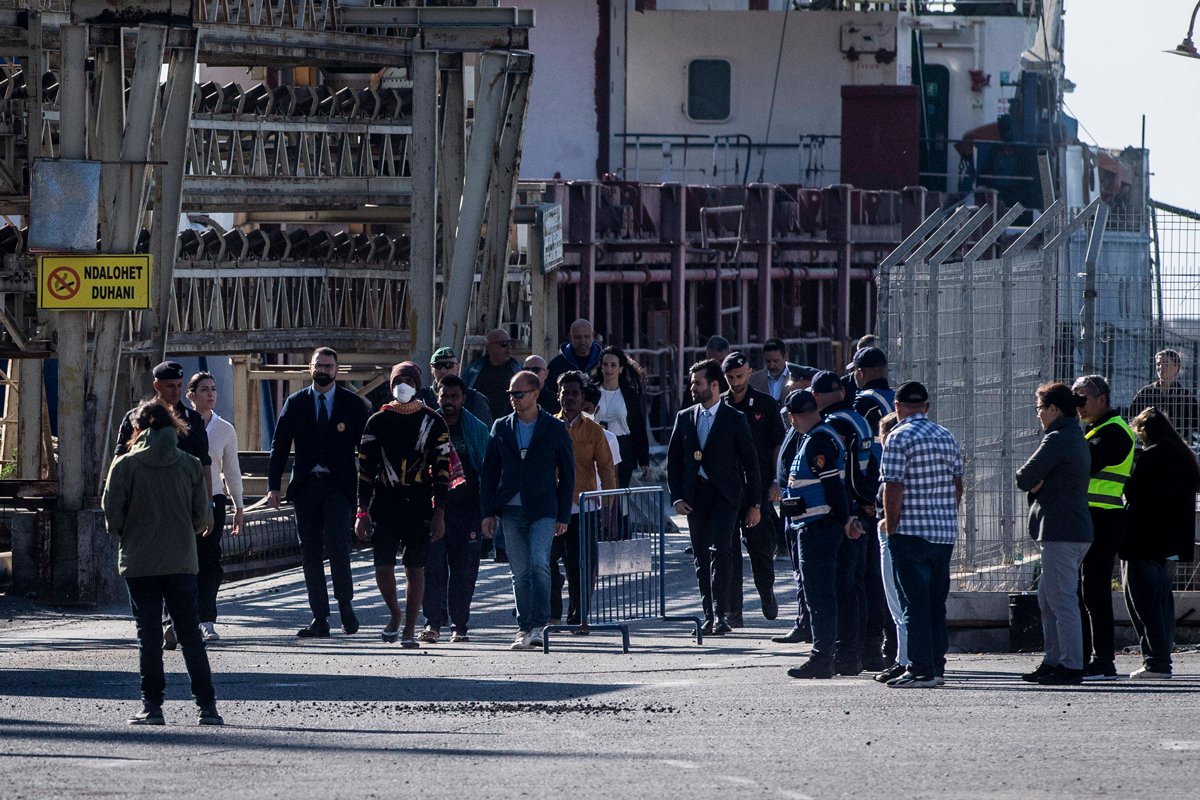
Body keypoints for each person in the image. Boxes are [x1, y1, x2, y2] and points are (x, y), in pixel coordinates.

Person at [102, 399, 221, 726]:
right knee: (190, 634)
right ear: (173, 425)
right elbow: (202, 519)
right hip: (182, 560)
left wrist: (132, 531)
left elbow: (112, 518)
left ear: (137, 429)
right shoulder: (190, 465)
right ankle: (207, 707)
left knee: (149, 635)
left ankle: (152, 706)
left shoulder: (124, 466)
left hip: (140, 561)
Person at [267, 347, 370, 639]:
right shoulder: (296, 402)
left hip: (338, 486)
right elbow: (280, 445)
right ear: (309, 368)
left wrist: (368, 491)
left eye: (328, 365)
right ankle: (320, 617)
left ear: (337, 370)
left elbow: (366, 450)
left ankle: (345, 605)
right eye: (318, 365)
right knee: (309, 551)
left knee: (338, 543)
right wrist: (274, 485)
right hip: (306, 487)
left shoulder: (352, 404)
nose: (322, 370)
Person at [115, 360, 213, 650]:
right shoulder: (135, 419)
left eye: (180, 386)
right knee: (148, 566)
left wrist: (206, 506)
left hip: (181, 508)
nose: (177, 392)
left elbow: (204, 465)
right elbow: (119, 462)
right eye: (170, 386)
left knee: (180, 568)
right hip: (144, 508)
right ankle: (153, 624)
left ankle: (172, 623)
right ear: (156, 386)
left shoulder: (192, 421)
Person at [356, 362, 450, 647]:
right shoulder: (377, 421)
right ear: (390, 385)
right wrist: (362, 511)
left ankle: (410, 628)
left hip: (419, 503)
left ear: (418, 384)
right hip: (385, 503)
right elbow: (365, 470)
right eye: (399, 380)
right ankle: (395, 614)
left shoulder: (433, 421)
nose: (403, 385)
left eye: (409, 379)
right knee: (383, 566)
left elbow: (443, 471)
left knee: (415, 567)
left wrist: (439, 513)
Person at [480, 370, 575, 651]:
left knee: (538, 562)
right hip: (511, 508)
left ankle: (539, 624)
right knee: (519, 571)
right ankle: (523, 628)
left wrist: (563, 515)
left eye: (518, 394)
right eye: (510, 394)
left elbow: (567, 473)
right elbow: (489, 472)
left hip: (543, 507)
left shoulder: (554, 428)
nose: (513, 399)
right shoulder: (501, 427)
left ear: (534, 394)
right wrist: (487, 512)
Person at [667, 359, 761, 636]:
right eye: (692, 382)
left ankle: (723, 614)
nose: (693, 388)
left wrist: (754, 503)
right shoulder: (685, 417)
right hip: (696, 497)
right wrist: (676, 497)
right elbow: (674, 462)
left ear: (715, 385)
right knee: (700, 557)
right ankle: (708, 614)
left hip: (726, 496)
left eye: (698, 382)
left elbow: (751, 464)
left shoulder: (734, 418)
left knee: (721, 551)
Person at [879, 381, 963, 689]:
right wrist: (944, 515)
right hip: (943, 533)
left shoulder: (898, 437)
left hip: (910, 531)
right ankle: (937, 667)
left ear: (897, 408)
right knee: (935, 603)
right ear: (927, 407)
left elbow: (893, 486)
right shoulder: (946, 436)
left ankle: (920, 668)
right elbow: (958, 485)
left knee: (914, 603)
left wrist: (891, 525)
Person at [1014, 383, 1094, 686]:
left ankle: (1071, 665)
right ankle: (1053, 660)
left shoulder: (1058, 438)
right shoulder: (1072, 435)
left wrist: (1039, 482)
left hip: (1062, 530)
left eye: (1039, 409)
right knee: (1048, 599)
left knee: (1061, 601)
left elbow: (1024, 477)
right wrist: (1041, 482)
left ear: (1053, 409)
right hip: (1070, 528)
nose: (1038, 415)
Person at [780, 388, 854, 679]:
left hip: (819, 527)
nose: (790, 423)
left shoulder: (820, 439)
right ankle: (827, 654)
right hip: (814, 525)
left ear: (797, 415)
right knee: (820, 593)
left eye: (791, 418)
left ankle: (822, 658)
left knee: (820, 595)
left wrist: (843, 519)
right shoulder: (815, 437)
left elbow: (834, 488)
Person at [1122, 407, 1200, 679]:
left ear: (1145, 431)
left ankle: (1156, 662)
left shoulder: (1150, 456)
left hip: (1144, 539)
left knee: (1143, 602)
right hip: (1172, 543)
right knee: (1162, 601)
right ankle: (1163, 654)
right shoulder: (1184, 456)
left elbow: (1133, 492)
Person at [1072, 374, 1135, 681]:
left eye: (1082, 398)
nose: (1077, 404)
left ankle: (1103, 660)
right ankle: (1086, 656)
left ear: (1102, 399)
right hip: (1091, 516)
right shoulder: (1095, 429)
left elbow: (1085, 462)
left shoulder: (1115, 432)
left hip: (1103, 517)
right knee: (1083, 591)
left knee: (1094, 591)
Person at [811, 370, 873, 675]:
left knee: (843, 586)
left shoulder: (833, 426)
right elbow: (869, 463)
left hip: (845, 512)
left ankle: (847, 653)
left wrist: (858, 502)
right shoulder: (858, 418)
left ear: (817, 397)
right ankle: (859, 652)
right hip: (859, 507)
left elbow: (846, 473)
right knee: (856, 585)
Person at [421, 374, 490, 644]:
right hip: (434, 509)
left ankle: (459, 625)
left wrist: (488, 511)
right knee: (433, 567)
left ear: (463, 399)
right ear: (436, 396)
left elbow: (487, 469)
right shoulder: (427, 424)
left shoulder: (476, 429)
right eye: (444, 396)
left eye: (454, 397)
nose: (449, 402)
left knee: (464, 569)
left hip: (468, 509)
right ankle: (432, 623)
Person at [721, 351, 785, 625]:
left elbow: (776, 447)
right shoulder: (720, 406)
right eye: (730, 378)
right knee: (728, 551)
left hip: (757, 486)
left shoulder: (765, 405)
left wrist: (775, 482)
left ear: (749, 372)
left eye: (739, 376)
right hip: (727, 488)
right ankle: (733, 609)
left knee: (760, 548)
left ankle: (766, 590)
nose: (735, 382)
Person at [550, 371, 617, 628]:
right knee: (547, 562)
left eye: (574, 393)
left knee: (581, 566)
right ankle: (552, 612)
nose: (569, 398)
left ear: (582, 397)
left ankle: (579, 617)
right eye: (564, 392)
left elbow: (607, 470)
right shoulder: (549, 426)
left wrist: (609, 511)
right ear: (558, 395)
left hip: (584, 508)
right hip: (553, 508)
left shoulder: (594, 431)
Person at [185, 372, 245, 643]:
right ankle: (177, 619)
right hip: (183, 499)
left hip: (214, 499)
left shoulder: (225, 429)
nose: (210, 394)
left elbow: (232, 469)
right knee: (181, 561)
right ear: (191, 395)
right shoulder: (181, 424)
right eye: (204, 390)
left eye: (213, 389)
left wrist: (239, 505)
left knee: (209, 561)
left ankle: (206, 619)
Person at [848, 346, 895, 668]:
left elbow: (859, 456)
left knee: (872, 580)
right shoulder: (897, 398)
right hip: (901, 494)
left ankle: (873, 648)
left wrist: (863, 500)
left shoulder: (864, 403)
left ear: (861, 373)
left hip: (873, 497)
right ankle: (896, 649)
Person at [770, 390, 820, 647]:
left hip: (806, 512)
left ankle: (809, 625)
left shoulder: (812, 433)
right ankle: (804, 622)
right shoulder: (795, 430)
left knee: (806, 572)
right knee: (798, 572)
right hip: (792, 510)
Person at [871, 412, 909, 684]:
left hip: (894, 535)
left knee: (898, 604)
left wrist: (888, 523)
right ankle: (909, 658)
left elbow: (891, 495)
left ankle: (904, 660)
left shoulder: (893, 464)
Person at [590, 346, 651, 487]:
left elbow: (637, 427)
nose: (609, 369)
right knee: (598, 493)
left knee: (617, 495)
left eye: (613, 365)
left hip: (623, 448)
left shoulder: (629, 395)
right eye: (605, 365)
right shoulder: (592, 391)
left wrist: (644, 460)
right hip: (596, 445)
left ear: (621, 369)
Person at [1128, 349, 1200, 444]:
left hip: (1177, 445)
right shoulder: (1146, 392)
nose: (1161, 367)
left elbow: (1197, 422)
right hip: (1151, 444)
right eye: (1158, 364)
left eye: (1166, 364)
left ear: (1176, 367)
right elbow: (1133, 417)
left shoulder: (1185, 395)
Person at [418, 346, 492, 427]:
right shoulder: (421, 398)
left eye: (449, 365)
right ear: (432, 369)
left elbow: (485, 434)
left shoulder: (474, 399)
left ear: (457, 368)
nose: (443, 370)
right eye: (438, 366)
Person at [464, 329, 523, 421]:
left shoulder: (518, 371)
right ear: (489, 346)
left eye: (510, 343)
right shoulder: (474, 370)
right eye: (503, 344)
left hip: (509, 425)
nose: (508, 347)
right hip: (480, 424)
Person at [547, 318, 604, 392]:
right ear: (570, 337)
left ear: (592, 335)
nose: (582, 341)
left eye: (587, 336)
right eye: (578, 337)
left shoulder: (604, 361)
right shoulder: (557, 364)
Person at [749, 338, 799, 403]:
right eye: (768, 361)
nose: (771, 366)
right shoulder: (752, 380)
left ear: (786, 357)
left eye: (776, 361)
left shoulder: (799, 380)